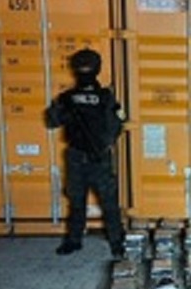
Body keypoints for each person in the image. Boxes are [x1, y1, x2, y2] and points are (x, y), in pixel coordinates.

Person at [45, 48, 126, 258]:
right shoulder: (105, 97)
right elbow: (117, 126)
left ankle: (78, 241)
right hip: (96, 157)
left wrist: (60, 108)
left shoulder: (68, 97)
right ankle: (115, 242)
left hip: (79, 156)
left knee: (81, 202)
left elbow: (52, 121)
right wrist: (102, 144)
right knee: (104, 202)